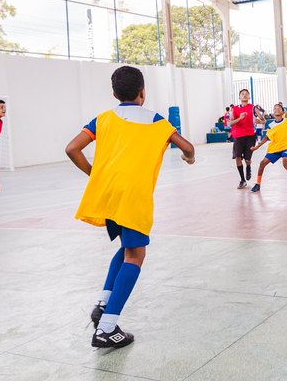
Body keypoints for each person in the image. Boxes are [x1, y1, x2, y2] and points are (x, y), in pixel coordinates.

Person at [66, 66, 195, 349]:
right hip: (134, 197)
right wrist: (190, 157)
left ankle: (102, 303)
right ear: (142, 92)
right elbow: (186, 146)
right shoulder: (156, 120)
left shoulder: (103, 119)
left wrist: (94, 173)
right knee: (136, 255)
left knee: (126, 249)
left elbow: (72, 148)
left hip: (110, 194)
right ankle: (107, 328)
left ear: (114, 93)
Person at [250, 104, 287, 194]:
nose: (276, 109)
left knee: (285, 162)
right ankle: (258, 184)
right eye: (275, 108)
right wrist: (257, 147)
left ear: (283, 112)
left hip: (286, 146)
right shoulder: (271, 125)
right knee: (262, 163)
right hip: (275, 148)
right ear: (273, 112)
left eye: (279, 108)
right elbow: (266, 137)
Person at [230, 89, 262, 189]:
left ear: (249, 97)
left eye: (246, 94)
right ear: (239, 97)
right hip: (238, 136)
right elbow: (230, 123)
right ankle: (242, 180)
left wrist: (260, 121)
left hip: (250, 136)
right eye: (242, 94)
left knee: (248, 159)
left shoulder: (253, 108)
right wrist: (239, 118)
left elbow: (263, 119)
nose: (244, 95)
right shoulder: (234, 109)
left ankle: (248, 167)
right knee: (238, 157)